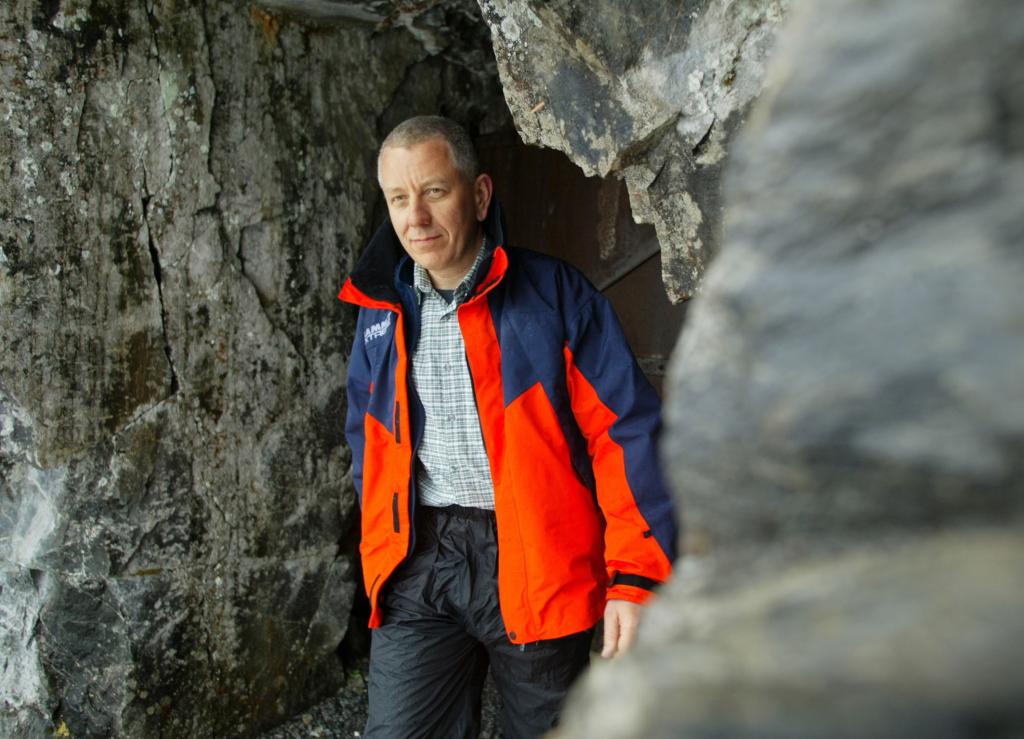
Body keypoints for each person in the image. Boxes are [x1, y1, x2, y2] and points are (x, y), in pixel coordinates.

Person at [338, 115, 677, 739]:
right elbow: (367, 438)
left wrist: (634, 576)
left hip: (536, 553)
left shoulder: (554, 296)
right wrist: (383, 535)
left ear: (479, 194)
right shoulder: (379, 309)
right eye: (398, 198)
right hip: (419, 557)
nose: (416, 218)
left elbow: (624, 432)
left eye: (434, 191)